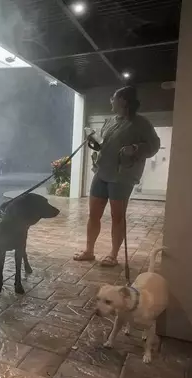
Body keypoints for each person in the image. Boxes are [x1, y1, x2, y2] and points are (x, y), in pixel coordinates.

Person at [74, 86, 160, 266]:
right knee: (93, 214)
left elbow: (154, 146)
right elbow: (103, 145)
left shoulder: (141, 123)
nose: (110, 101)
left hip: (122, 176)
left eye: (113, 97)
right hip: (102, 173)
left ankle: (113, 255)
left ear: (123, 100)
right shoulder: (110, 121)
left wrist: (135, 149)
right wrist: (94, 141)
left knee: (117, 217)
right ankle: (89, 251)